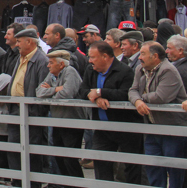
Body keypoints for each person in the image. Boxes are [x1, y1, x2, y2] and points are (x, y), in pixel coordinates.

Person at [78, 40, 143, 184]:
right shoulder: (90, 70)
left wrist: (101, 92)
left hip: (126, 126)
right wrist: (95, 98)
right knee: (101, 162)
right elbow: (82, 91)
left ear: (105, 57)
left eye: (93, 57)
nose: (90, 61)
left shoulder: (125, 71)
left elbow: (126, 94)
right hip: (102, 127)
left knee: (131, 166)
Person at [129, 41, 187, 188]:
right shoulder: (140, 69)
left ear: (155, 56)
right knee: (153, 166)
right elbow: (132, 90)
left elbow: (161, 97)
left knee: (174, 168)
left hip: (172, 129)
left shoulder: (168, 70)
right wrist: (137, 102)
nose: (140, 58)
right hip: (152, 127)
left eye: (143, 54)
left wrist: (141, 98)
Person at [6, 28, 49, 187]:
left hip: (31, 113)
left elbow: (42, 89)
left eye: (19, 41)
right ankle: (17, 182)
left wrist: (35, 111)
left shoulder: (41, 60)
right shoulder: (21, 58)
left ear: (29, 42)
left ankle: (32, 184)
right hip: (15, 110)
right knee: (14, 148)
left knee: (32, 152)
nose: (17, 45)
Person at [35, 49, 87, 179]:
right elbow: (39, 92)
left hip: (72, 122)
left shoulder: (70, 72)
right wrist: (57, 89)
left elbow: (66, 94)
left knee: (69, 158)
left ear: (61, 64)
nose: (48, 66)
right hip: (58, 121)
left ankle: (78, 186)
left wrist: (51, 92)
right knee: (59, 156)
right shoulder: (52, 74)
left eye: (51, 63)